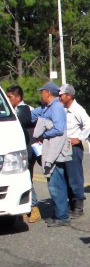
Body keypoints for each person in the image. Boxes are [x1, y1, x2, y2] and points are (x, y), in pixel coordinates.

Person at [31, 82, 73, 227]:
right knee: (54, 184)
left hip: (56, 153)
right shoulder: (49, 107)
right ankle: (58, 213)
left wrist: (44, 134)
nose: (40, 94)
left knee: (56, 185)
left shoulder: (56, 108)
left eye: (42, 91)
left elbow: (59, 129)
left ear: (48, 92)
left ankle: (62, 216)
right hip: (52, 152)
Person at [6, 85, 41, 223]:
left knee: (26, 178)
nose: (8, 99)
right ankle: (26, 209)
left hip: (27, 150)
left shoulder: (23, 110)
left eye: (10, 97)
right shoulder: (19, 109)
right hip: (25, 150)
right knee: (28, 178)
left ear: (18, 97)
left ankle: (34, 208)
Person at [58, 84, 90, 218]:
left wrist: (79, 138)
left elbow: (89, 124)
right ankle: (71, 203)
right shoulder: (62, 109)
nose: (60, 97)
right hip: (63, 146)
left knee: (75, 176)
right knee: (66, 176)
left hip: (73, 147)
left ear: (69, 95)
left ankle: (78, 205)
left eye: (62, 95)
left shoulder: (77, 109)